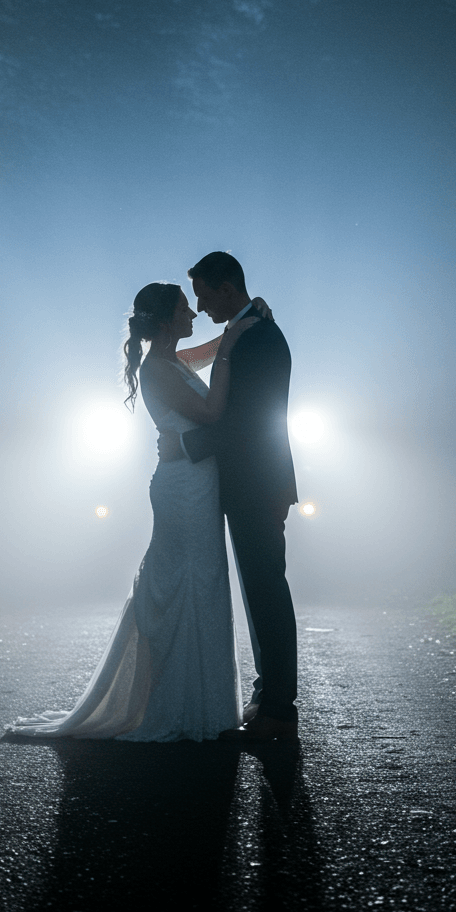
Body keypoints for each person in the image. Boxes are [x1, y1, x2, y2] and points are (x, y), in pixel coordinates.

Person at [4, 281, 257, 742]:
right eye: (185, 308)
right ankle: (176, 706)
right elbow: (212, 411)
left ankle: (200, 702)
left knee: (200, 581)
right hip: (182, 491)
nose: (194, 313)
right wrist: (232, 345)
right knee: (184, 583)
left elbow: (200, 354)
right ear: (165, 322)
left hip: (195, 484)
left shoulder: (168, 361)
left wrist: (239, 326)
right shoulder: (159, 370)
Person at [175, 251, 299, 743]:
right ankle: (269, 697)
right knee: (261, 591)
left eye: (204, 295)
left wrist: (185, 445)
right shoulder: (246, 331)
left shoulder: (258, 337)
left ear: (227, 289)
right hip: (255, 479)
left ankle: (278, 712)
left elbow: (246, 421)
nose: (201, 307)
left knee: (267, 593)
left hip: (257, 481)